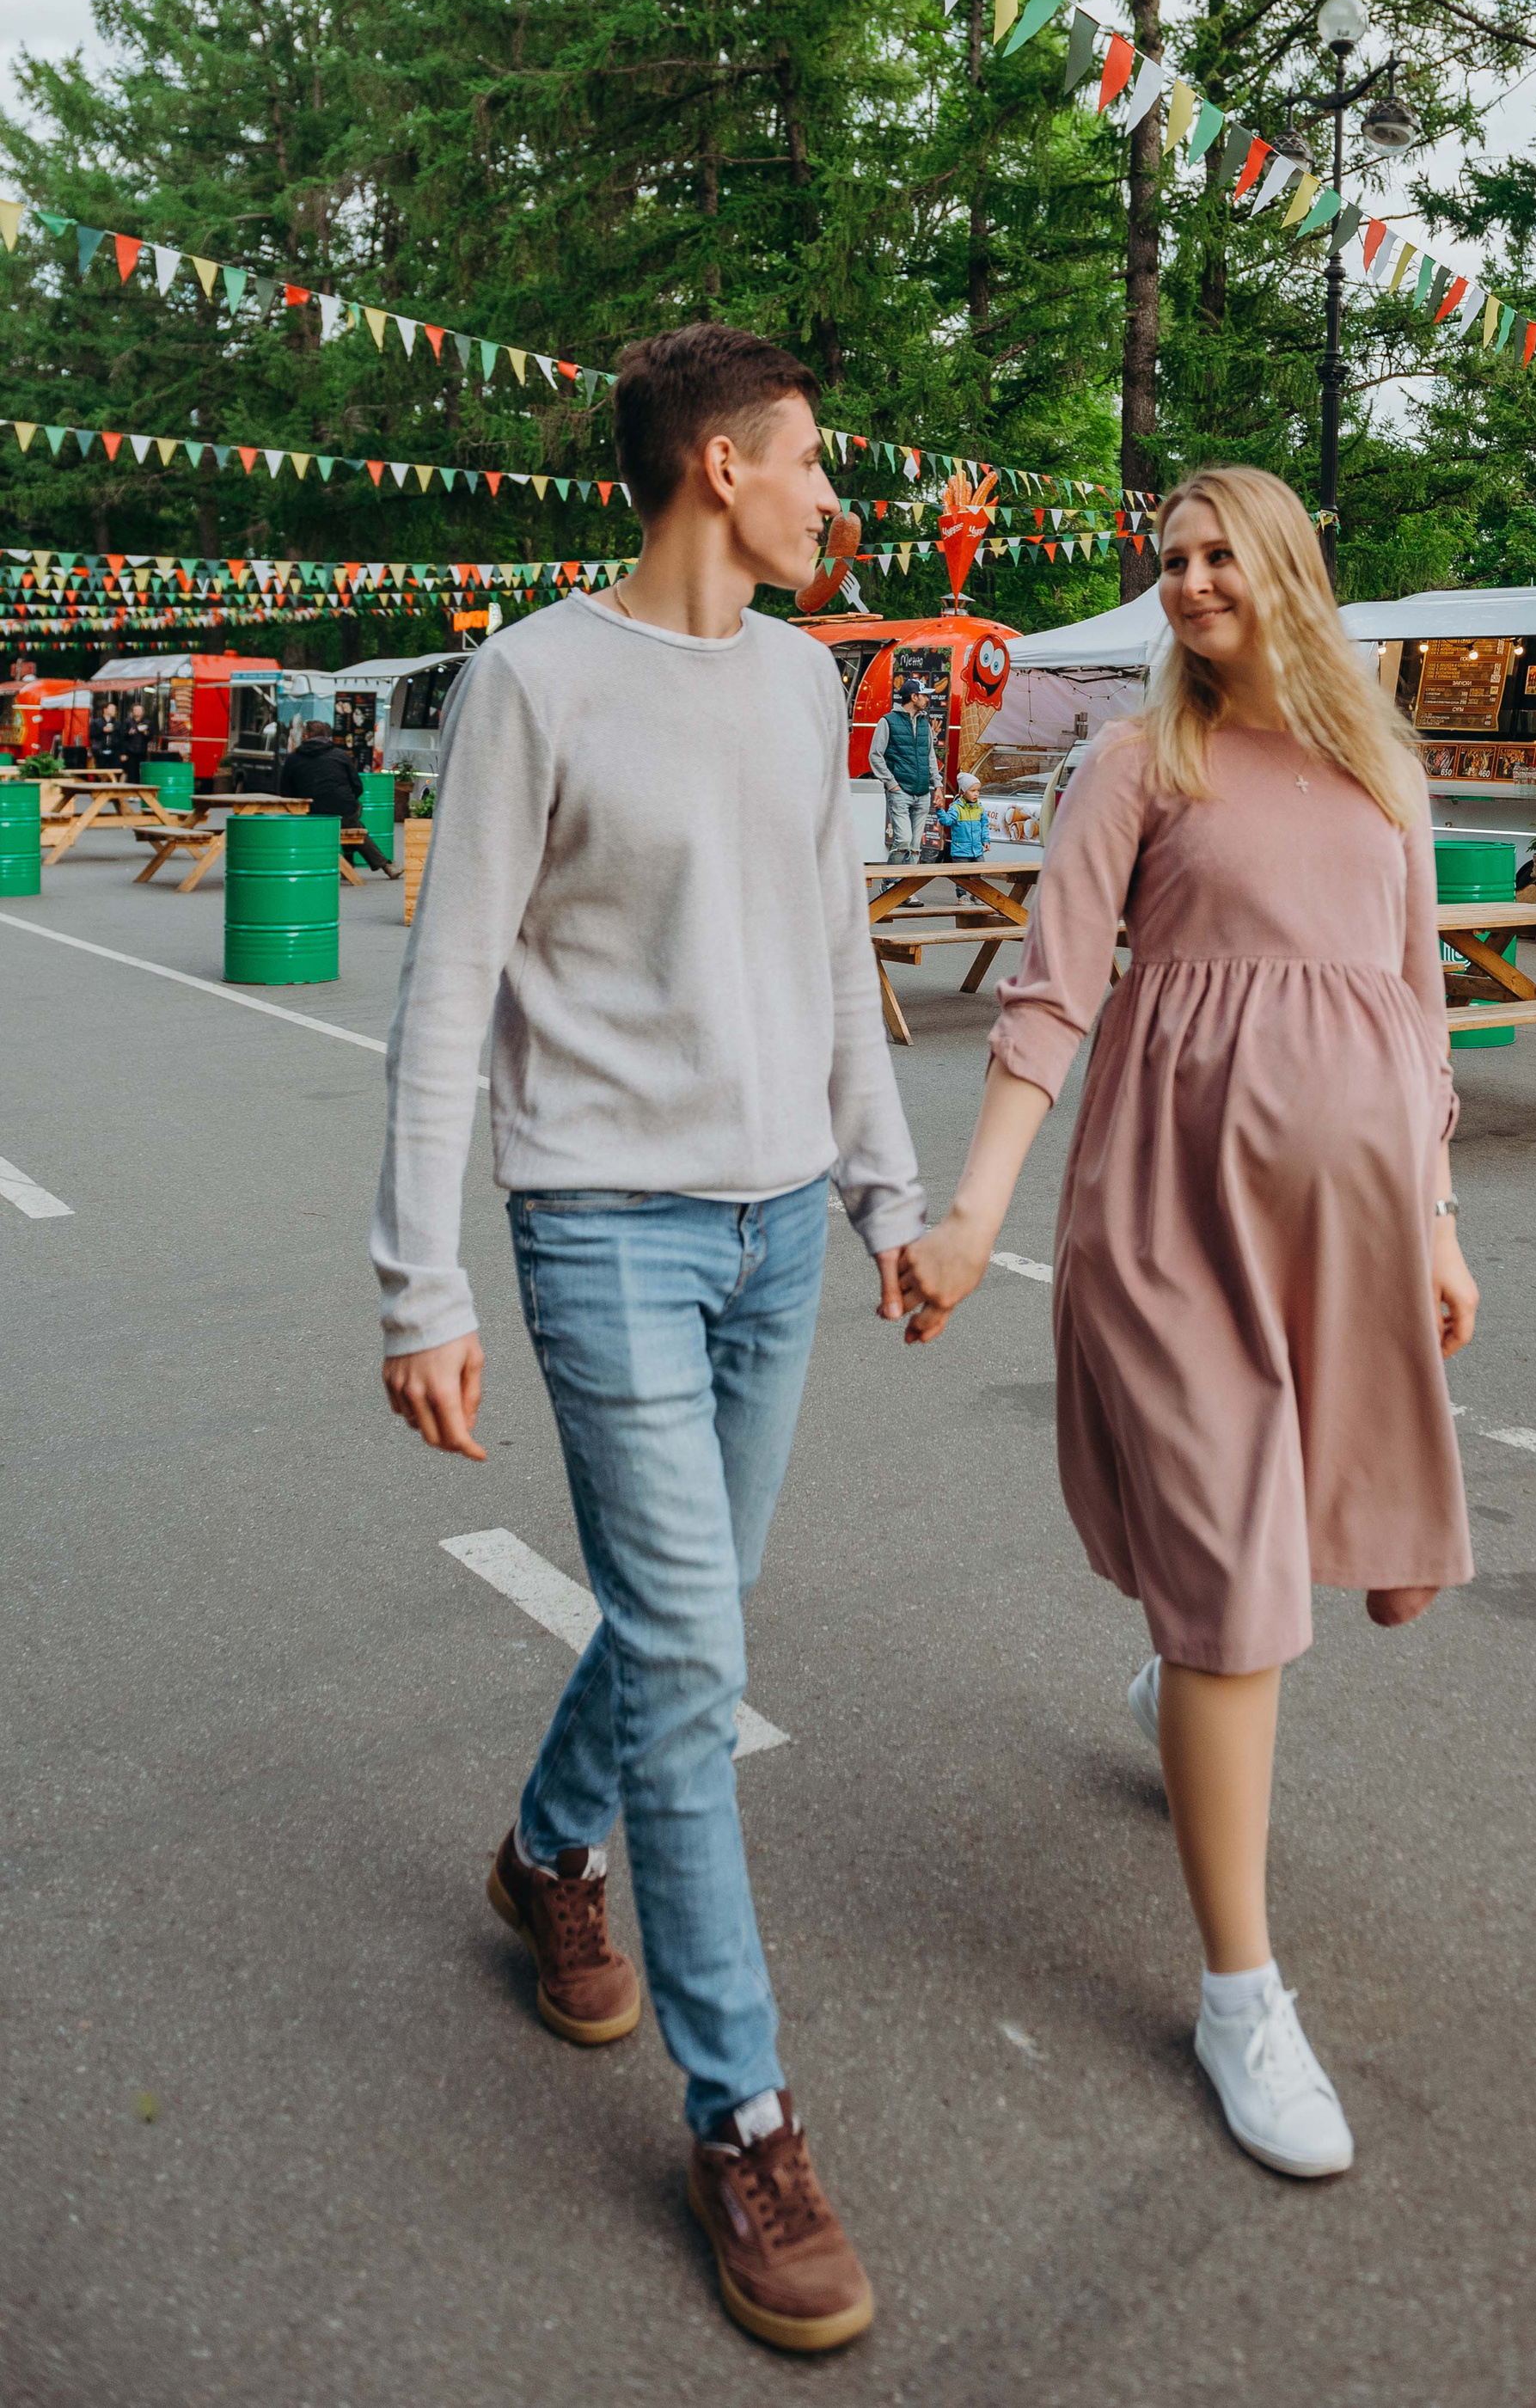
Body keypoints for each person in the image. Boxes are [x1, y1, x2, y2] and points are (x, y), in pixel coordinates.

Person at [370, 324, 923, 2355]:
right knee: (692, 1651)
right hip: (600, 1229)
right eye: (805, 466)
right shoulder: (531, 679)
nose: (824, 495)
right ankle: (748, 2119)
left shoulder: (802, 679)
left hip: (779, 1229)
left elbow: (834, 958)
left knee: (691, 1611)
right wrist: (417, 1280)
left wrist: (881, 1190)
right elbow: (448, 993)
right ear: (715, 465)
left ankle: (542, 1850)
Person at [898, 466, 1477, 2183]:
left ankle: (1186, 1660)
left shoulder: (1379, 766)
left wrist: (1439, 1220)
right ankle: (1240, 1996)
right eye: (1170, 560)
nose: (1190, 582)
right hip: (1166, 1220)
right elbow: (1053, 984)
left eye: (1221, 553)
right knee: (1238, 1588)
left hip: (1351, 1225)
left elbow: (1415, 1005)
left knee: (1263, 1558)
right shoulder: (1130, 762)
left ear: (1290, 565)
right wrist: (973, 1214)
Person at [279, 718, 396, 874]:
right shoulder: (340, 755)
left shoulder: (293, 759)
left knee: (350, 821)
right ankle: (380, 864)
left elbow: (285, 792)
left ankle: (351, 862)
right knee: (353, 821)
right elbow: (357, 787)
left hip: (309, 815)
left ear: (306, 737)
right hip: (343, 811)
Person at [869, 664, 942, 861]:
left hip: (922, 792)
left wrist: (938, 785)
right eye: (924, 695)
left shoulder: (924, 723)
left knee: (916, 846)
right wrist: (891, 784)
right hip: (900, 791)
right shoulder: (888, 721)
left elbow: (930, 756)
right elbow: (875, 754)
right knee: (903, 841)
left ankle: (906, 890)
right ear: (913, 697)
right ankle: (891, 885)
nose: (927, 699)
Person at [945, 770, 989, 861]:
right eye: (973, 790)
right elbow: (947, 821)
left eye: (978, 790)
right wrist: (939, 810)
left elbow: (984, 825)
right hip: (960, 853)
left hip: (977, 852)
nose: (976, 794)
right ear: (963, 791)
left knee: (980, 873)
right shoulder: (956, 808)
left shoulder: (979, 808)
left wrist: (985, 840)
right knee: (962, 875)